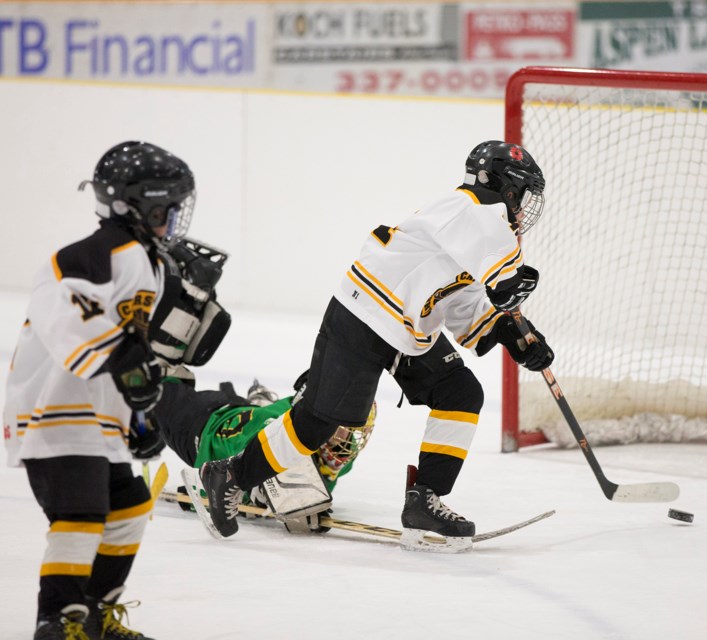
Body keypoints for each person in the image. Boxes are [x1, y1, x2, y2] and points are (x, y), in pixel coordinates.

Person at [200, 140, 554, 550]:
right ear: (507, 189)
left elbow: (466, 305)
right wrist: (512, 302)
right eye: (522, 195)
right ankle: (230, 475)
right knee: (316, 424)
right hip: (364, 315)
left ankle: (425, 498)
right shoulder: (473, 210)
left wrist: (513, 337)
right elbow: (506, 277)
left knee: (460, 391)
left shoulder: (475, 235)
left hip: (404, 327)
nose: (523, 208)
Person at [3, 141, 196, 639]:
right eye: (168, 207)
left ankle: (95, 617)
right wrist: (133, 372)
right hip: (54, 406)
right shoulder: (97, 253)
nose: (174, 218)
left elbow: (125, 346)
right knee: (81, 513)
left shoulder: (148, 262)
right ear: (142, 204)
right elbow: (67, 317)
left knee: (129, 506)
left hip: (90, 411)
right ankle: (59, 622)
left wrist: (137, 416)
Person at [151, 373, 376, 533]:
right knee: (156, 390)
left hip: (248, 415)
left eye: (354, 432)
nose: (345, 441)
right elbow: (245, 469)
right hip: (204, 427)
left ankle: (260, 401)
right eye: (342, 430)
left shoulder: (338, 457)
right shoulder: (282, 434)